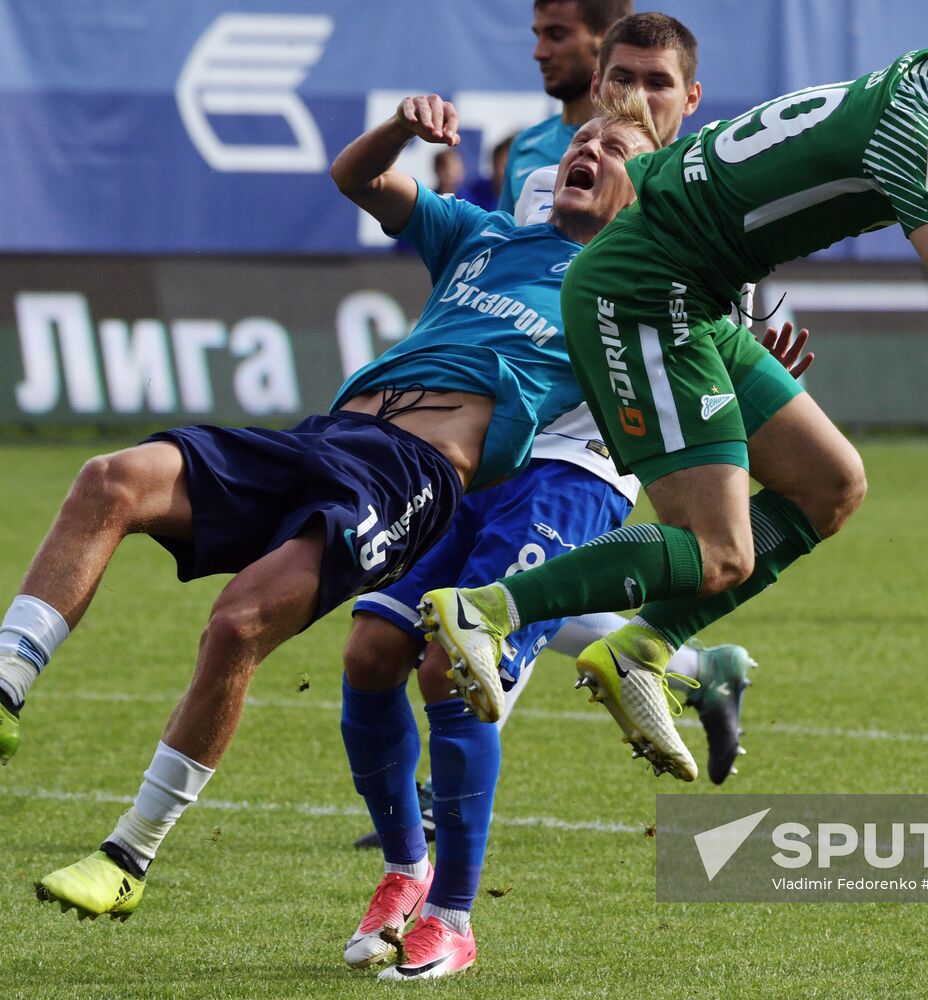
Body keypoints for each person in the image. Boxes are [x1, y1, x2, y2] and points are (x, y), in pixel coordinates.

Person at [423, 13, 928, 783]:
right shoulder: (917, 127)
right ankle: (488, 612)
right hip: (644, 286)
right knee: (719, 550)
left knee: (831, 484)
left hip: (693, 290)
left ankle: (639, 649)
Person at [2, 90, 659, 927]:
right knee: (110, 480)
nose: (590, 150)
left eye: (617, 152)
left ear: (641, 196)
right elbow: (357, 175)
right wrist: (399, 128)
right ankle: (4, 686)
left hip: (408, 479)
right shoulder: (482, 234)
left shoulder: (619, 300)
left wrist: (761, 375)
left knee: (239, 623)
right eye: (587, 138)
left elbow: (702, 387)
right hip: (322, 438)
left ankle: (128, 854)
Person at [338, 14, 781, 980]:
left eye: (653, 86)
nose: (620, 106)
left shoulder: (706, 220)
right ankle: (407, 874)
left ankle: (453, 916)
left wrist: (760, 363)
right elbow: (508, 257)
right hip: (483, 458)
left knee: (454, 670)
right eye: (614, 86)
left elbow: (716, 361)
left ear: (688, 102)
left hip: (579, 472)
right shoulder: (540, 170)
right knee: (374, 647)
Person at [499, 0, 633, 214]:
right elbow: (504, 242)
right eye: (538, 35)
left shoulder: (648, 153)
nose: (539, 53)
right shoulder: (525, 144)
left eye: (556, 35)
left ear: (608, 37)